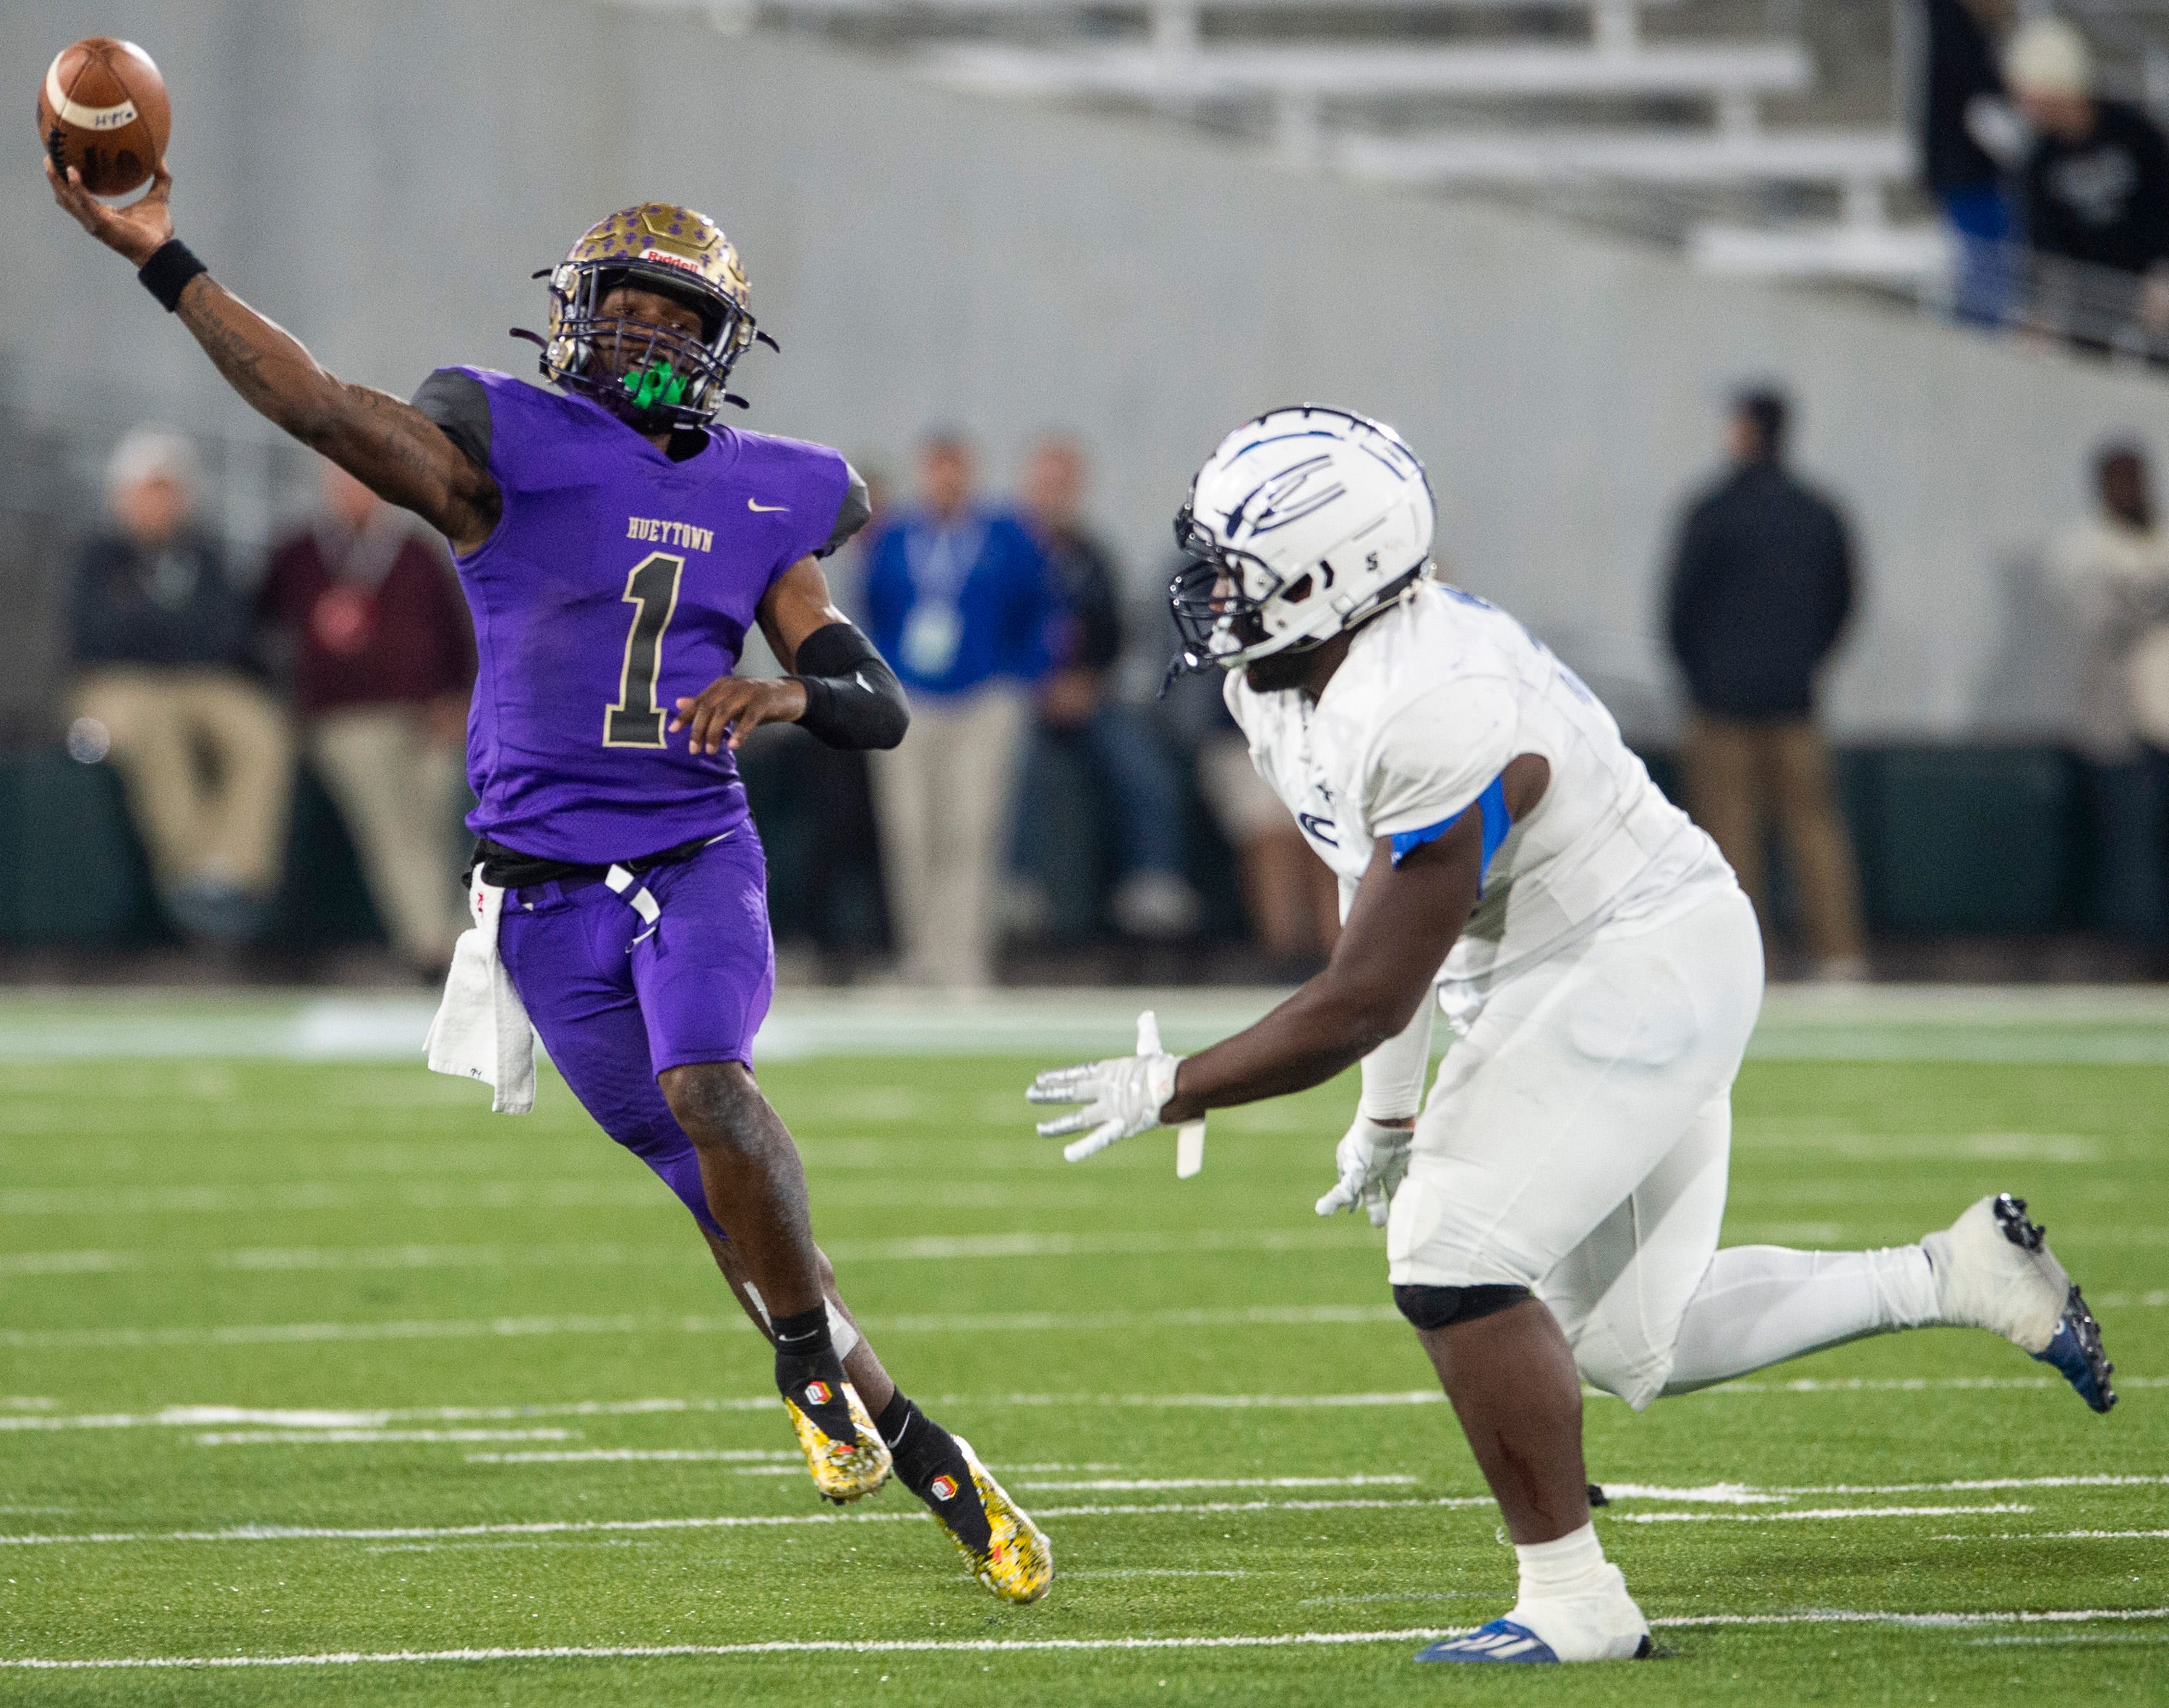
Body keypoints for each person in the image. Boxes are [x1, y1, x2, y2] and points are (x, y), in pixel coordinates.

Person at [48, 165, 1049, 1602]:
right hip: (540, 901)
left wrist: (785, 697)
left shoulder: (777, 493)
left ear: (720, 346)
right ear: (574, 321)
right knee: (728, 1200)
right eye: (624, 309)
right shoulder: (502, 446)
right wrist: (162, 256)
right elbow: (320, 406)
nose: (644, 336)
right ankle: (900, 1421)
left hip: (695, 851)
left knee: (718, 1089)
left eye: (673, 316)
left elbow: (868, 697)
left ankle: (802, 1368)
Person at [1027, 406, 2115, 1666]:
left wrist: (1182, 1085)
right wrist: (1386, 1112)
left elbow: (1370, 991)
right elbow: (1361, 887)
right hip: (1561, 971)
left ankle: (1574, 1597)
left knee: (1451, 1254)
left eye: (1238, 565)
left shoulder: (1437, 699)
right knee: (1624, 1342)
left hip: (1640, 958)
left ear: (1332, 575)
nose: (1207, 590)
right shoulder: (1287, 678)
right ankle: (1955, 1269)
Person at [1665, 389, 1869, 981]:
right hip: (1795, 700)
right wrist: (1807, 662)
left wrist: (1701, 673)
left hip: (1719, 703)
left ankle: (1742, 958)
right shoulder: (1818, 511)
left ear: (1749, 430)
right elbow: (1844, 602)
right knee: (1815, 830)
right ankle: (1839, 955)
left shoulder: (1712, 510)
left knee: (1730, 837)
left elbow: (1679, 608)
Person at [67, 426, 294, 943]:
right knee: (156, 727)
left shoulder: (204, 556)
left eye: (168, 490)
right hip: (117, 688)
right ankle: (189, 876)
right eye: (148, 490)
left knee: (259, 726)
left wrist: (155, 625)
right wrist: (170, 629)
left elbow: (231, 631)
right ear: (123, 496)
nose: (159, 504)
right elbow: (94, 636)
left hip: (200, 681)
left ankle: (234, 875)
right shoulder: (100, 557)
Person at [259, 458, 474, 977]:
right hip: (346, 718)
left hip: (426, 716)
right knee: (392, 818)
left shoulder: (417, 552)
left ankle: (464, 935)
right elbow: (257, 631)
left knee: (444, 810)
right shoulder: (300, 553)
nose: (354, 490)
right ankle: (433, 947)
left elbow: (459, 633)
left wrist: (457, 699)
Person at [863, 433, 1060, 987]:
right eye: (937, 470)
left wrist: (1022, 679)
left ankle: (965, 955)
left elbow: (1038, 607)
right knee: (910, 827)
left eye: (956, 470)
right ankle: (921, 954)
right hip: (911, 698)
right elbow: (873, 609)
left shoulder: (1004, 535)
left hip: (984, 698)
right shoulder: (897, 536)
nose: (946, 481)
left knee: (973, 828)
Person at [1016, 437, 1199, 940]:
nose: (1053, 494)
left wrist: (1088, 684)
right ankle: (1018, 887)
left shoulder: (1093, 556)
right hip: (1024, 698)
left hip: (1089, 695)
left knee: (1141, 764)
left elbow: (1116, 634)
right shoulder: (1005, 554)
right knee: (1013, 766)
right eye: (1045, 482)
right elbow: (997, 635)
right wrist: (1038, 686)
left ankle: (1154, 880)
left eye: (1063, 483)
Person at [2048, 439, 2169, 943]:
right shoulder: (2081, 549)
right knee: (2131, 850)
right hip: (2120, 723)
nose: (2129, 489)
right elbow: (2098, 623)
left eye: (2135, 477)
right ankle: (2142, 954)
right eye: (2118, 479)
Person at [2004, 15, 2169, 350]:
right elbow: (2039, 243)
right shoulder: (2037, 162)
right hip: (2092, 295)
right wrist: (2036, 312)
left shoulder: (2133, 133)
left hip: (2150, 276)